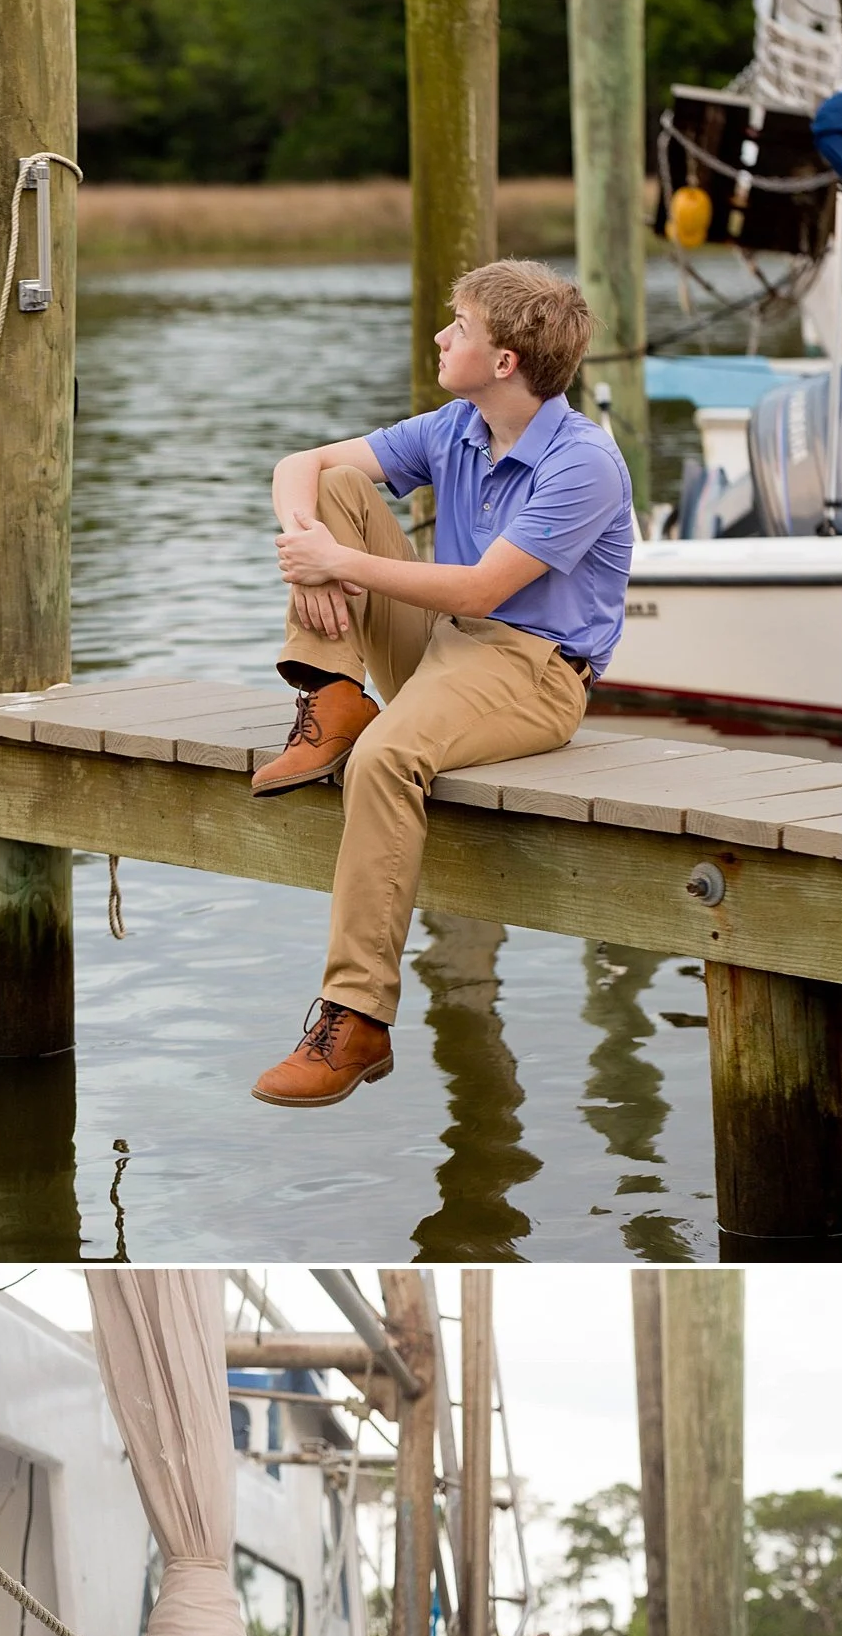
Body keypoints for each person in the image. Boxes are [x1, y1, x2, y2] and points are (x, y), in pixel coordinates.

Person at [250, 257, 635, 1112]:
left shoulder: (583, 463)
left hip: (531, 669)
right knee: (341, 486)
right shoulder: (456, 426)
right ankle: (332, 693)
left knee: (384, 761)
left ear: (504, 362)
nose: (439, 335)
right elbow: (299, 465)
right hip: (446, 642)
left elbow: (482, 591)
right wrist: (310, 550)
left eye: (457, 326)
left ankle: (356, 1019)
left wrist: (335, 562)